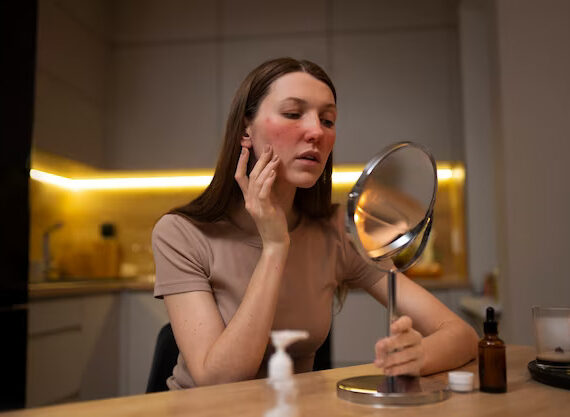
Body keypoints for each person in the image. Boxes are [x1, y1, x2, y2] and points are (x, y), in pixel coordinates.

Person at [152, 57, 478, 390]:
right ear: (245, 129)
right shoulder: (180, 234)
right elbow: (219, 380)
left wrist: (418, 355)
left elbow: (462, 336)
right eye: (293, 114)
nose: (316, 132)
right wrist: (275, 246)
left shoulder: (339, 230)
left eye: (328, 119)